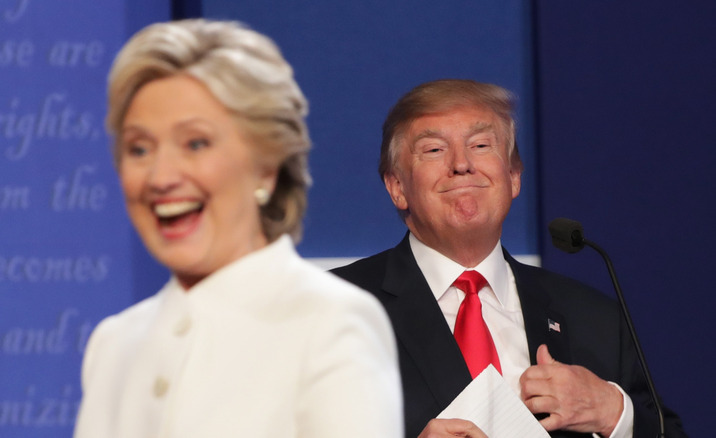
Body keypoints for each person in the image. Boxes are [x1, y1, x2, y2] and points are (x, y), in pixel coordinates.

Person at [73, 19, 403, 438]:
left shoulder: (331, 324)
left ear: (266, 167)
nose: (160, 176)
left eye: (195, 143)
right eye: (139, 148)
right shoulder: (114, 343)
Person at [332, 79, 686, 438]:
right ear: (397, 187)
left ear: (514, 176)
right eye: (435, 149)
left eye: (481, 145)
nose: (461, 164)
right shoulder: (332, 308)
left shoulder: (594, 318)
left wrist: (613, 412)